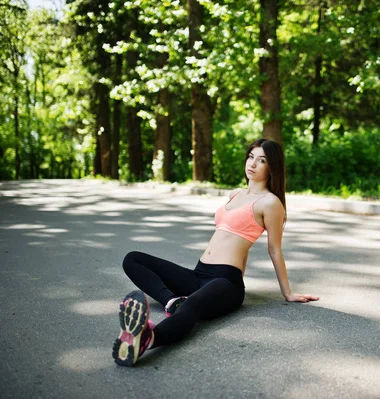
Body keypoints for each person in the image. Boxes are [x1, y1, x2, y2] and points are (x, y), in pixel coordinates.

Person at [112, 138, 319, 367]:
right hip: (198, 274)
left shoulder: (270, 203)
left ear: (273, 167)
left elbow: (274, 250)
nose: (253, 163)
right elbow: (239, 237)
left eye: (262, 160)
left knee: (193, 307)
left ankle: (148, 339)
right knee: (133, 259)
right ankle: (171, 302)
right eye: (251, 156)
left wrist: (287, 293)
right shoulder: (235, 194)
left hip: (225, 282)